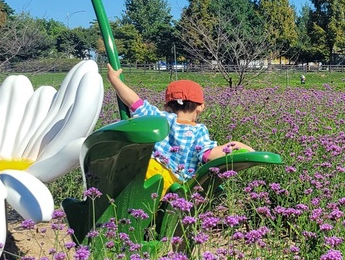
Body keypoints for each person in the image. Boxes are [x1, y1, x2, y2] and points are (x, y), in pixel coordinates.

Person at [106, 65, 254, 181]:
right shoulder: (199, 130)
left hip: (146, 169)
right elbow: (208, 155)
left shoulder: (158, 117)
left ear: (166, 106)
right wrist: (237, 145)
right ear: (201, 107)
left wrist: (114, 79)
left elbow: (133, 101)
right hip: (173, 181)